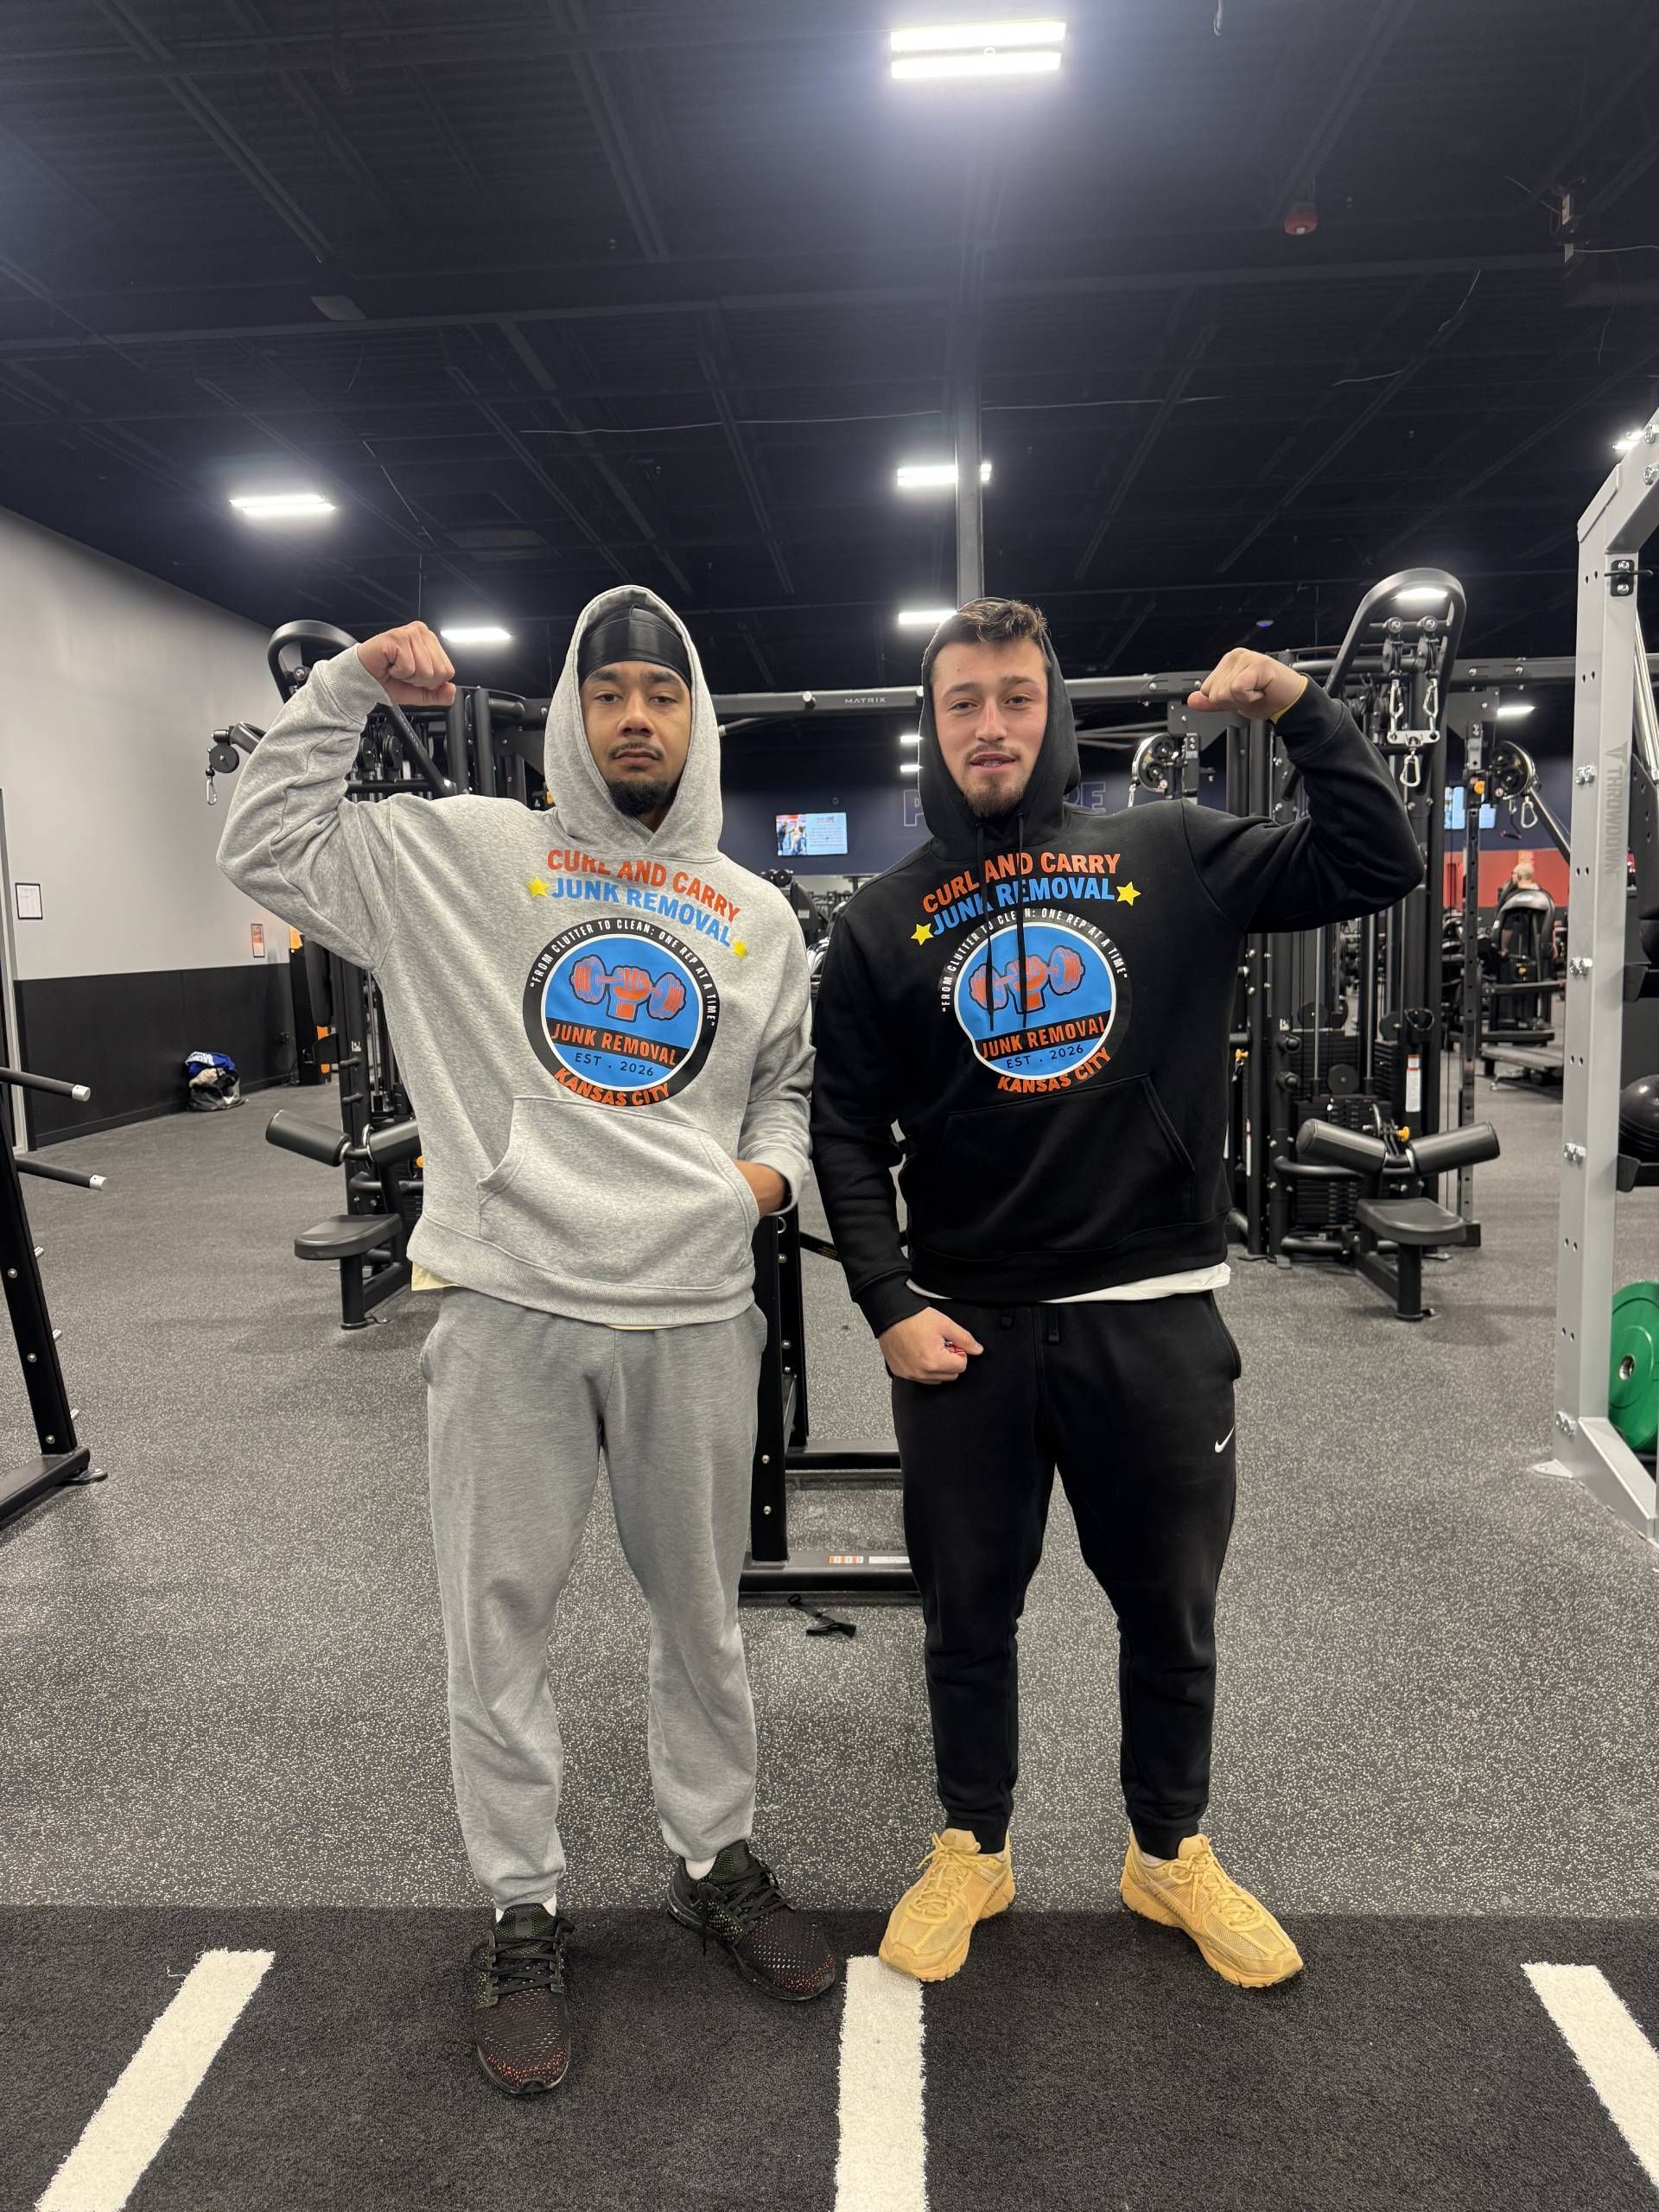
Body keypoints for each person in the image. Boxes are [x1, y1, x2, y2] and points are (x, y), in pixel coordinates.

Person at [218, 588, 836, 2097]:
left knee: (702, 1617)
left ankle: (713, 1855)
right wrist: (352, 686)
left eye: (663, 695)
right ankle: (519, 1905)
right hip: (507, 1302)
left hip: (692, 1310)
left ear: (697, 723)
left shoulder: (755, 914)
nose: (637, 717)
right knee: (496, 1630)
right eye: (611, 691)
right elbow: (264, 844)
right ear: (573, 710)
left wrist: (757, 1182)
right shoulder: (463, 855)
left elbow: (790, 1092)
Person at [810, 597, 1423, 1992]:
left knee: (1171, 1612)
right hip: (964, 1333)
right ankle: (972, 1844)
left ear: (1054, 710)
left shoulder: (1170, 852)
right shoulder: (885, 921)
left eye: (1016, 697)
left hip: (1153, 1315)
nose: (991, 725)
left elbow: (1378, 859)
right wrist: (887, 1298)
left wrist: (1296, 711)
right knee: (969, 1612)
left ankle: (1168, 1854)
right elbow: (841, 1127)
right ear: (932, 723)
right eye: (962, 701)